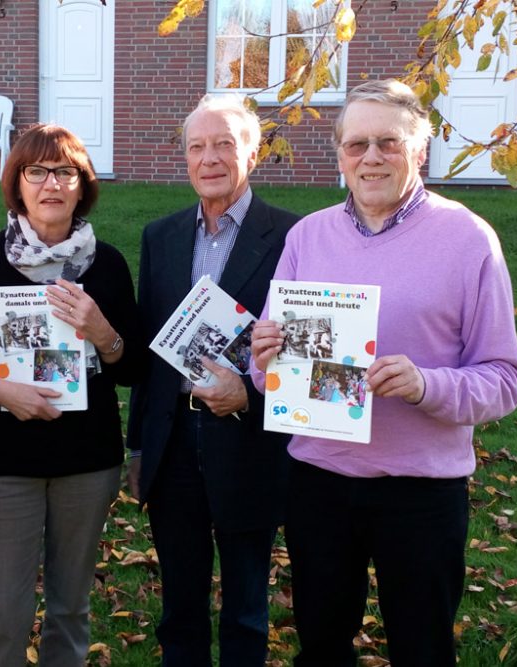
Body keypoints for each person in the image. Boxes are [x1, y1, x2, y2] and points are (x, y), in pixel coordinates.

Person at [250, 79, 517, 666]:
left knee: (422, 649)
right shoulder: (308, 236)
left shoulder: (468, 239)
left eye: (388, 143)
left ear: (419, 150)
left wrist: (428, 385)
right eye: (356, 145)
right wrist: (265, 357)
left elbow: (505, 377)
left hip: (421, 492)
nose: (370, 157)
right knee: (321, 646)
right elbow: (268, 377)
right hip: (319, 481)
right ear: (340, 154)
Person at [0, 124, 141, 667]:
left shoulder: (109, 265)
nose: (51, 184)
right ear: (17, 183)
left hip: (87, 459)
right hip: (6, 459)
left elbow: (131, 370)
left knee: (70, 608)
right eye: (36, 172)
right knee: (4, 610)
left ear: (82, 185)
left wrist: (103, 332)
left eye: (65, 172)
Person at [126, 94, 299, 666]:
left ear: (252, 150)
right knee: (179, 607)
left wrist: (247, 395)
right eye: (197, 146)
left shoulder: (294, 238)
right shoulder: (161, 236)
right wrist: (138, 446)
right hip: (173, 442)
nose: (210, 158)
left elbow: (302, 360)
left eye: (225, 143)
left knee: (247, 610)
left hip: (249, 442)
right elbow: (152, 348)